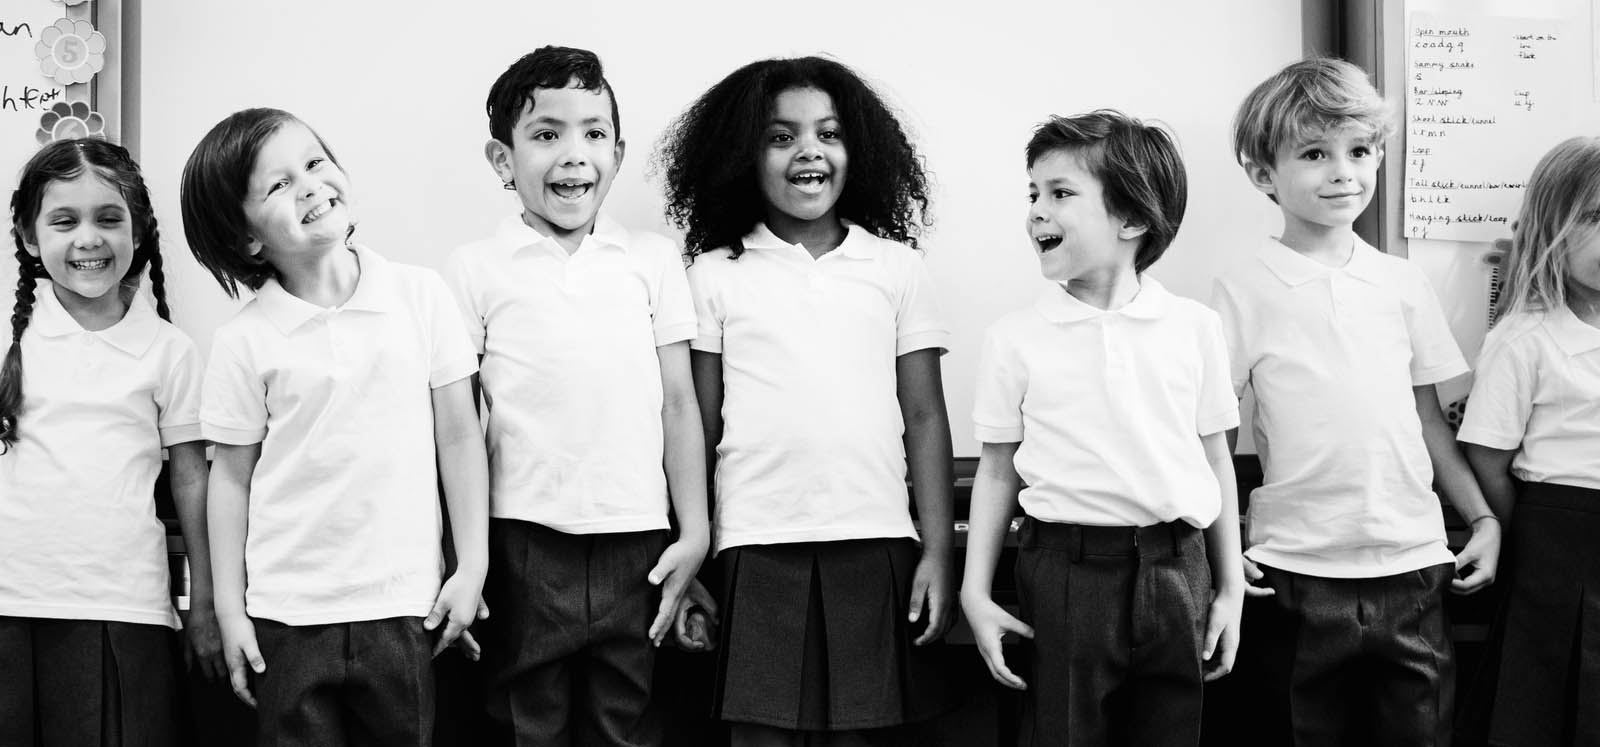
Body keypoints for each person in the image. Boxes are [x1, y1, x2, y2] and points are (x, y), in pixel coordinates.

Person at [657, 55, 955, 746]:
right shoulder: (712, 275)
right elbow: (695, 425)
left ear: (860, 151)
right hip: (755, 545)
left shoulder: (895, 269)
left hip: (876, 540)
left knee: (865, 733)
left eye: (828, 133)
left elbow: (927, 417)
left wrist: (938, 550)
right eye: (781, 136)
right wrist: (694, 549)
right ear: (741, 155)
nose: (808, 151)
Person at [1214, 57, 1500, 745]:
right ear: (1263, 175)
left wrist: (1482, 516)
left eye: (1360, 150)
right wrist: (1219, 543)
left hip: (1412, 560)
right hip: (1294, 566)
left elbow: (1428, 418)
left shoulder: (1400, 283)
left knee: (1422, 731)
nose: (1344, 171)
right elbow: (1215, 436)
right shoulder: (1243, 287)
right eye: (1315, 153)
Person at [181, 107, 489, 746]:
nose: (310, 186)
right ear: (246, 239)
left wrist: (473, 565)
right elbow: (230, 481)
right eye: (277, 185)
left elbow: (460, 438)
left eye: (315, 163)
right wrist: (230, 611)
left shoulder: (420, 295)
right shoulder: (243, 341)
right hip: (287, 617)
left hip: (405, 605)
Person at [446, 45, 708, 746]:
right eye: (545, 134)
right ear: (502, 161)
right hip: (522, 537)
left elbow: (679, 403)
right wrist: (467, 553)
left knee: (628, 717)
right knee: (526, 718)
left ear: (617, 154)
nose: (573, 154)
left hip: (638, 538)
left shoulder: (650, 261)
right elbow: (459, 425)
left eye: (593, 134)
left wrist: (696, 529)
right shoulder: (474, 269)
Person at [960, 110, 1245, 746]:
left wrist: (1230, 590)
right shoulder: (1015, 338)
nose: (1036, 211)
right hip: (1064, 572)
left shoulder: (1194, 328)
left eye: (1061, 193)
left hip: (1178, 568)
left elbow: (1216, 459)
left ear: (1133, 219)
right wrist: (975, 592)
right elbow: (997, 467)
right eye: (1033, 194)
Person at [0, 137, 221, 746]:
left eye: (109, 218)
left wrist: (203, 601)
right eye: (64, 221)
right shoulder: (10, 335)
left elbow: (192, 479)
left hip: (124, 605)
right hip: (11, 599)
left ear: (140, 231)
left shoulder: (170, 351)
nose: (88, 239)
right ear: (28, 235)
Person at [1457, 136, 1600, 746]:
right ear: (1553, 228)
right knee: (1546, 697)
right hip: (1559, 541)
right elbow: (1488, 456)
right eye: (1594, 218)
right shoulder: (1526, 337)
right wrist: (1529, 532)